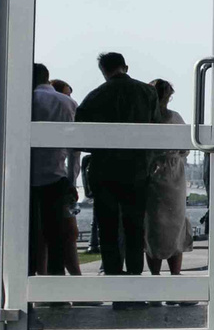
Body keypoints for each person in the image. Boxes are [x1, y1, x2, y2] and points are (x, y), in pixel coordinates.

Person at [75, 52, 158, 276]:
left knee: (108, 229)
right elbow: (156, 129)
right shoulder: (147, 92)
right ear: (126, 67)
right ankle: (134, 278)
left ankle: (113, 276)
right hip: (137, 170)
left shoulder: (95, 96)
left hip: (105, 170)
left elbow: (79, 133)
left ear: (103, 71)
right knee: (135, 228)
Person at [28, 61, 80, 276]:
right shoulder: (68, 103)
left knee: (30, 236)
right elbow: (74, 149)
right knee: (57, 236)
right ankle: (56, 289)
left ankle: (30, 283)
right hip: (56, 177)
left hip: (27, 177)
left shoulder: (25, 101)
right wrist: (71, 179)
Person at [144, 78, 191, 276]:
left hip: (151, 174)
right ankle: (175, 275)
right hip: (174, 175)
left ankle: (155, 277)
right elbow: (185, 147)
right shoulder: (175, 118)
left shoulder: (145, 119)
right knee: (175, 224)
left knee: (153, 226)